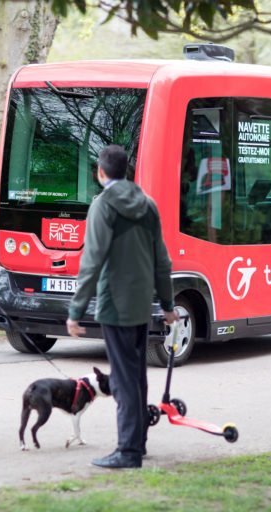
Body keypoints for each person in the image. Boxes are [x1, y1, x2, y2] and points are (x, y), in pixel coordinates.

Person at [66, 144, 178, 469]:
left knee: (125, 378)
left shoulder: (102, 206)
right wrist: (168, 303)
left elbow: (92, 260)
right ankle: (137, 442)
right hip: (143, 304)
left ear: (100, 173)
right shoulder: (148, 204)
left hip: (115, 304)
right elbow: (162, 260)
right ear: (126, 170)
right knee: (135, 375)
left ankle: (127, 451)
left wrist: (76, 311)